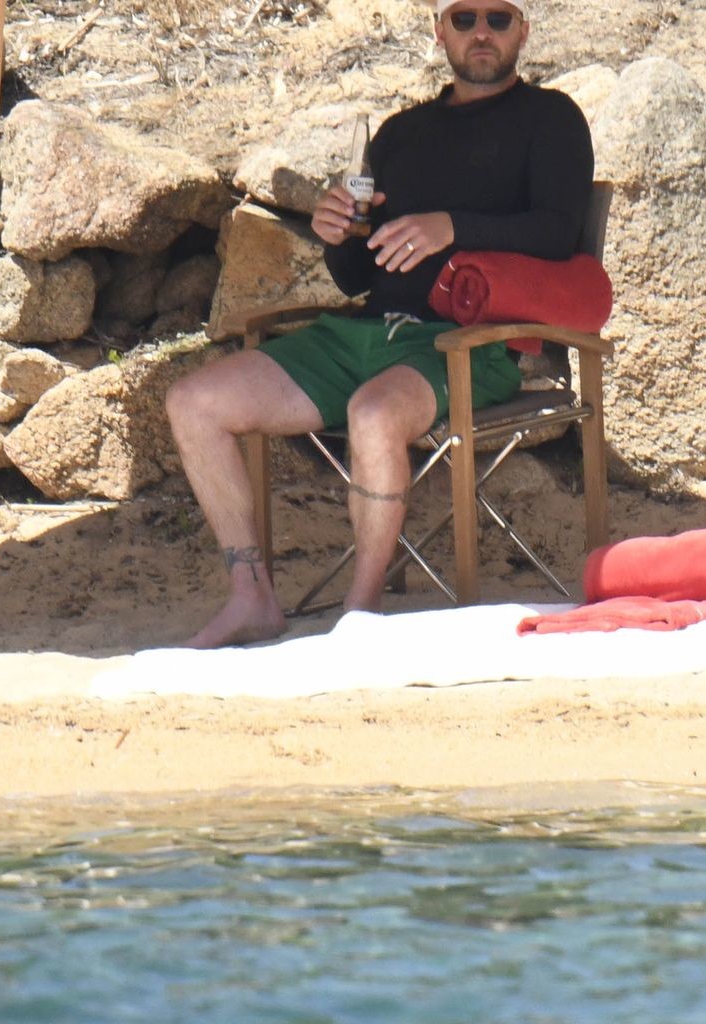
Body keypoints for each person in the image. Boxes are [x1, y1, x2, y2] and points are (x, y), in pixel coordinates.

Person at [165, 0, 592, 648]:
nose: (481, 32)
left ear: (523, 30)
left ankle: (360, 615)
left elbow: (559, 233)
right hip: (364, 333)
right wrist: (336, 232)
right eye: (465, 18)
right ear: (439, 31)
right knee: (194, 402)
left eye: (498, 18)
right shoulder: (399, 134)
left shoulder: (551, 118)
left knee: (372, 414)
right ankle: (252, 598)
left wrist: (453, 227)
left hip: (469, 343)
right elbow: (356, 276)